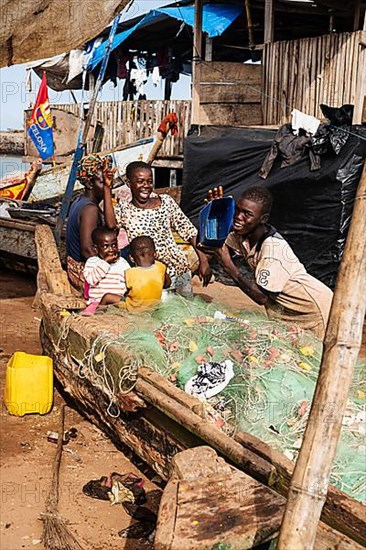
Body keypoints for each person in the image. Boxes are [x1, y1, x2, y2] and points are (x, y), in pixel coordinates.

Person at [203, 186, 333, 340]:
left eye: (247, 214)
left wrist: (228, 265)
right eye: (237, 210)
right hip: (286, 310)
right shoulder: (244, 235)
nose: (238, 217)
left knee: (313, 357)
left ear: (263, 219)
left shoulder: (272, 251)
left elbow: (261, 297)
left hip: (313, 311)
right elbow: (215, 243)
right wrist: (216, 216)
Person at [103, 161, 211, 297]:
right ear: (130, 184)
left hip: (180, 271)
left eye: (149, 181)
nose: (146, 186)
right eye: (140, 181)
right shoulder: (125, 210)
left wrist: (204, 260)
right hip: (152, 277)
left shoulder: (166, 202)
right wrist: (107, 188)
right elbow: (111, 225)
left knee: (185, 312)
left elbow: (189, 231)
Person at [66, 154, 115, 291]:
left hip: (75, 266)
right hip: (82, 271)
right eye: (102, 182)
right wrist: (109, 270)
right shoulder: (90, 210)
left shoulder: (80, 200)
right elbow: (87, 250)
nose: (107, 186)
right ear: (89, 184)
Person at [82, 227, 130, 315]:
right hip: (97, 302)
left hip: (116, 302)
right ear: (96, 248)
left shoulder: (122, 262)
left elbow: (129, 281)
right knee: (88, 317)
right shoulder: (92, 262)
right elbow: (91, 280)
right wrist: (105, 263)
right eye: (105, 246)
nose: (111, 249)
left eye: (114, 245)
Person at [117, 235, 171, 312]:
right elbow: (167, 284)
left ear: (131, 258)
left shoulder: (129, 273)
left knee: (108, 297)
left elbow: (124, 291)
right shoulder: (160, 267)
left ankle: (96, 313)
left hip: (133, 308)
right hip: (154, 307)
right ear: (155, 254)